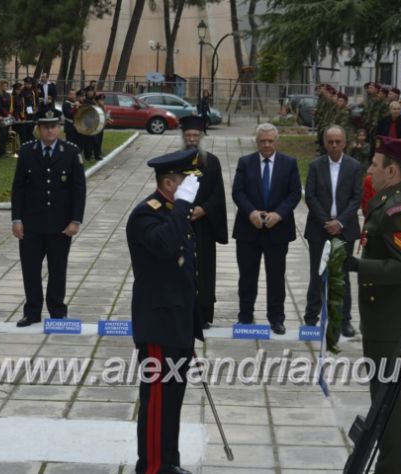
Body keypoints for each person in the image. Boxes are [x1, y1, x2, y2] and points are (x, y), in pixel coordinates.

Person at [343, 135, 401, 474]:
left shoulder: (399, 208)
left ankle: (393, 469)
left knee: (390, 404)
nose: (369, 170)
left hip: (392, 323)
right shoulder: (386, 200)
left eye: (374, 165)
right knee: (383, 400)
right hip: (380, 318)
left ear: (391, 171)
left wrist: (359, 266)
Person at [126, 149, 204, 474]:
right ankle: (152, 467)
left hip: (178, 322)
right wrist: (183, 205)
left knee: (172, 401)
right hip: (158, 324)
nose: (192, 185)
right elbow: (164, 246)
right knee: (157, 401)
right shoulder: (147, 214)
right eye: (186, 180)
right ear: (170, 183)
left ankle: (169, 461)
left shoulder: (173, 212)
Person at [11, 106, 86, 327]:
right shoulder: (26, 152)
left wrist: (75, 220)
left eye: (53, 127)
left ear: (59, 128)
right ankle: (32, 311)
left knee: (57, 269)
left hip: (60, 224)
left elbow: (78, 190)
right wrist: (17, 219)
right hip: (31, 223)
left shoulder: (71, 152)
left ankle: (57, 311)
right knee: (30, 269)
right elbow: (18, 189)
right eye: (45, 127)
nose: (50, 131)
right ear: (39, 129)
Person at [231, 123, 302, 334]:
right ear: (257, 142)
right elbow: (238, 192)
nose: (267, 145)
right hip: (248, 229)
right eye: (263, 141)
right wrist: (251, 212)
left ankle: (276, 318)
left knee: (276, 277)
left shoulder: (289, 163)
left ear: (277, 141)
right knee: (247, 276)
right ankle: (245, 316)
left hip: (277, 231)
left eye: (271, 141)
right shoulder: (245, 162)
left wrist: (279, 214)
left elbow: (294, 193)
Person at [303, 126, 363, 336]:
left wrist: (341, 222)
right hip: (319, 229)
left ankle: (344, 320)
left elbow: (357, 197)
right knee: (317, 274)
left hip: (345, 231)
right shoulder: (315, 166)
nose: (334, 145)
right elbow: (310, 195)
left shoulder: (354, 166)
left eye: (338, 141)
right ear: (325, 143)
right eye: (331, 141)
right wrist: (326, 221)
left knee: (343, 276)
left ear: (344, 142)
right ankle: (311, 319)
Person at [179, 115, 228, 329]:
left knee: (204, 269)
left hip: (203, 225)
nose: (191, 139)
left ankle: (203, 314)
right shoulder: (174, 160)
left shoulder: (212, 161)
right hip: (180, 223)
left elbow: (218, 194)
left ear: (201, 137)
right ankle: (181, 312)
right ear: (183, 136)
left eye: (195, 135)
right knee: (180, 269)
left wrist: (203, 209)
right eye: (188, 135)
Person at [0, 79, 12, 159]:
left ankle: (4, 151)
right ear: (1, 86)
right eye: (4, 85)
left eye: (6, 85)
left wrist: (10, 114)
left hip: (7, 117)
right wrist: (6, 114)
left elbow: (10, 106)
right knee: (3, 134)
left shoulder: (8, 95)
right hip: (1, 117)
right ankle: (0, 153)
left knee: (6, 135)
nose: (5, 87)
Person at [20, 77, 38, 142]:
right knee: (25, 130)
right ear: (24, 84)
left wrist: (36, 108)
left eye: (30, 83)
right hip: (25, 113)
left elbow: (36, 101)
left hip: (32, 113)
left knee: (31, 128)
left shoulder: (33, 91)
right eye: (27, 83)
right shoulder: (22, 92)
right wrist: (23, 113)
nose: (28, 85)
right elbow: (22, 103)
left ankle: (30, 141)